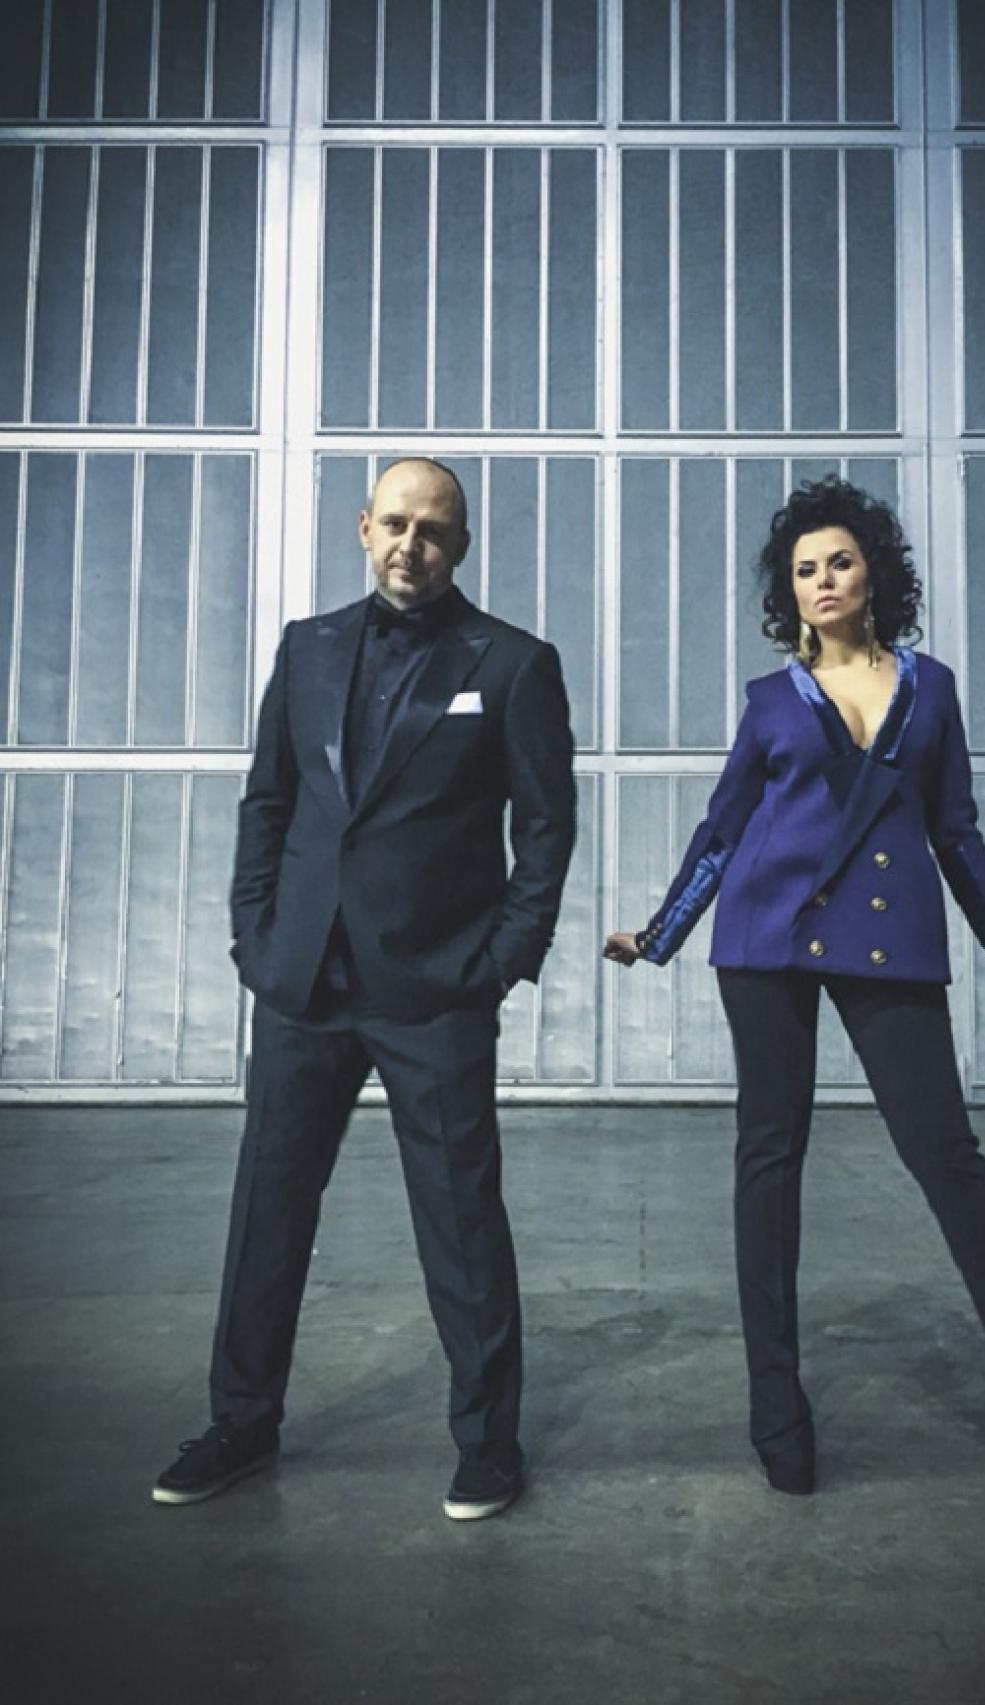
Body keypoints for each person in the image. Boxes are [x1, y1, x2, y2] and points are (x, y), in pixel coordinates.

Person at [604, 476, 985, 1509]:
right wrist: (657, 934)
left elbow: (954, 831)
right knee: (768, 1162)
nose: (822, 580)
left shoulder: (931, 689)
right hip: (766, 941)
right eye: (803, 569)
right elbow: (723, 830)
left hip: (887, 943)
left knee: (948, 1159)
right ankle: (776, 1411)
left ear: (874, 574)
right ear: (789, 592)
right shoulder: (769, 700)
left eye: (839, 561)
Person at [154, 457, 576, 1521]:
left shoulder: (513, 664)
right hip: (302, 981)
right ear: (362, 528)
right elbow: (269, 801)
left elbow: (545, 828)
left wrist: (499, 960)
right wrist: (257, 937)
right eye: (394, 523)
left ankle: (488, 1443)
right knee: (267, 1210)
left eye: (432, 529)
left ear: (459, 546)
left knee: (460, 1217)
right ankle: (241, 1421)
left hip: (434, 987)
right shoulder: (307, 648)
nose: (409, 544)